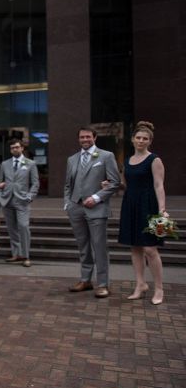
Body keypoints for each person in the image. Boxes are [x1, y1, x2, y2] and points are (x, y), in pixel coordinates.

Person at [64, 126, 120, 298]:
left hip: (96, 208)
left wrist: (96, 197)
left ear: (94, 137)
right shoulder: (72, 159)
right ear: (78, 139)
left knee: (99, 247)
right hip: (76, 208)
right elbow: (68, 185)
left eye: (88, 136)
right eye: (82, 137)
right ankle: (85, 280)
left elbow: (114, 182)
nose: (85, 139)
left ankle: (103, 284)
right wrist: (68, 203)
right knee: (83, 246)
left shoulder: (106, 156)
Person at [118, 121, 168, 305]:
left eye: (145, 138)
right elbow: (126, 184)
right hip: (130, 204)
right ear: (132, 139)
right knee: (135, 247)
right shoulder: (127, 161)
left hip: (149, 206)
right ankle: (140, 285)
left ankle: (159, 288)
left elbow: (159, 185)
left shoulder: (154, 160)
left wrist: (162, 210)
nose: (141, 141)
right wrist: (111, 185)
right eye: (138, 138)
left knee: (150, 249)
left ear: (150, 141)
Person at [0, 138, 39, 267]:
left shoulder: (30, 164)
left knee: (23, 227)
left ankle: (26, 256)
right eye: (12, 148)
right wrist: (0, 195)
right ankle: (17, 254)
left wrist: (30, 196)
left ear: (22, 148)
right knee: (12, 229)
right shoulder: (5, 164)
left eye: (16, 147)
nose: (14, 149)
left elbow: (35, 183)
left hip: (22, 201)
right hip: (7, 200)